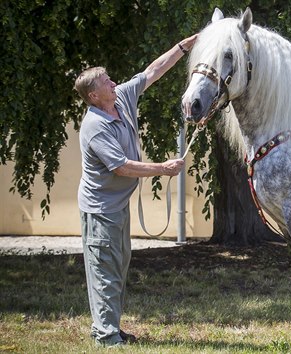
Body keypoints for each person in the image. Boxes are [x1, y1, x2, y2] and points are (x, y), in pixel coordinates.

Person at [73, 33, 197, 347]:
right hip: (101, 209)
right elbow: (122, 167)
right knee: (105, 268)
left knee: (118, 265)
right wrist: (163, 169)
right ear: (93, 95)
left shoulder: (121, 99)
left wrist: (184, 46)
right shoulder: (95, 126)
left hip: (116, 204)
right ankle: (106, 335)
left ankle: (108, 327)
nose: (113, 83)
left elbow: (153, 71)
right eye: (106, 81)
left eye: (111, 79)